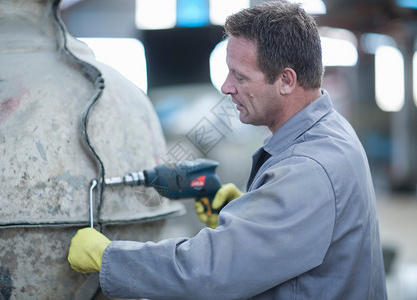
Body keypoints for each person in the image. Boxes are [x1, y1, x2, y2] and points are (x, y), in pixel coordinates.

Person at [68, 1, 388, 299]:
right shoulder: (330, 129)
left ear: (286, 80)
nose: (225, 87)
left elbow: (208, 272)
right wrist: (255, 211)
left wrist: (107, 257)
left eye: (240, 75)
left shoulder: (308, 169)